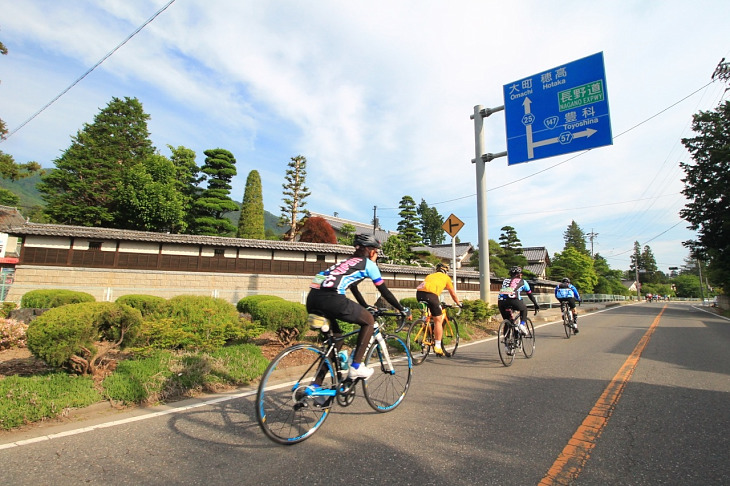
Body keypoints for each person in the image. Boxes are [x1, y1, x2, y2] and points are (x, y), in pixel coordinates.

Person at [307, 233, 409, 381]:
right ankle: (355, 366)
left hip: (312, 297)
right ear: (372, 251)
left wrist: (364, 305)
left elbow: (352, 286)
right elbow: (384, 292)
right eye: (377, 252)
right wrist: (401, 309)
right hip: (333, 297)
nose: (377, 256)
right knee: (369, 321)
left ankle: (316, 385)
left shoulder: (344, 262)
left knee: (337, 340)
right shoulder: (369, 264)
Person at [415, 262, 462, 357]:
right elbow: (452, 293)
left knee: (428, 315)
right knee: (438, 320)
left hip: (419, 294)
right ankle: (437, 346)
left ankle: (425, 327)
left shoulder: (430, 276)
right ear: (445, 271)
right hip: (431, 296)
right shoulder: (446, 278)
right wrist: (458, 303)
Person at [497, 266, 539, 335]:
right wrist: (535, 304)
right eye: (521, 273)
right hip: (514, 301)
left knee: (508, 321)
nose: (521, 275)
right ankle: (522, 325)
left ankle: (507, 343)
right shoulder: (523, 281)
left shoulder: (505, 280)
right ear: (518, 274)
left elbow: (507, 291)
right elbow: (530, 294)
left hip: (501, 302)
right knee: (524, 309)